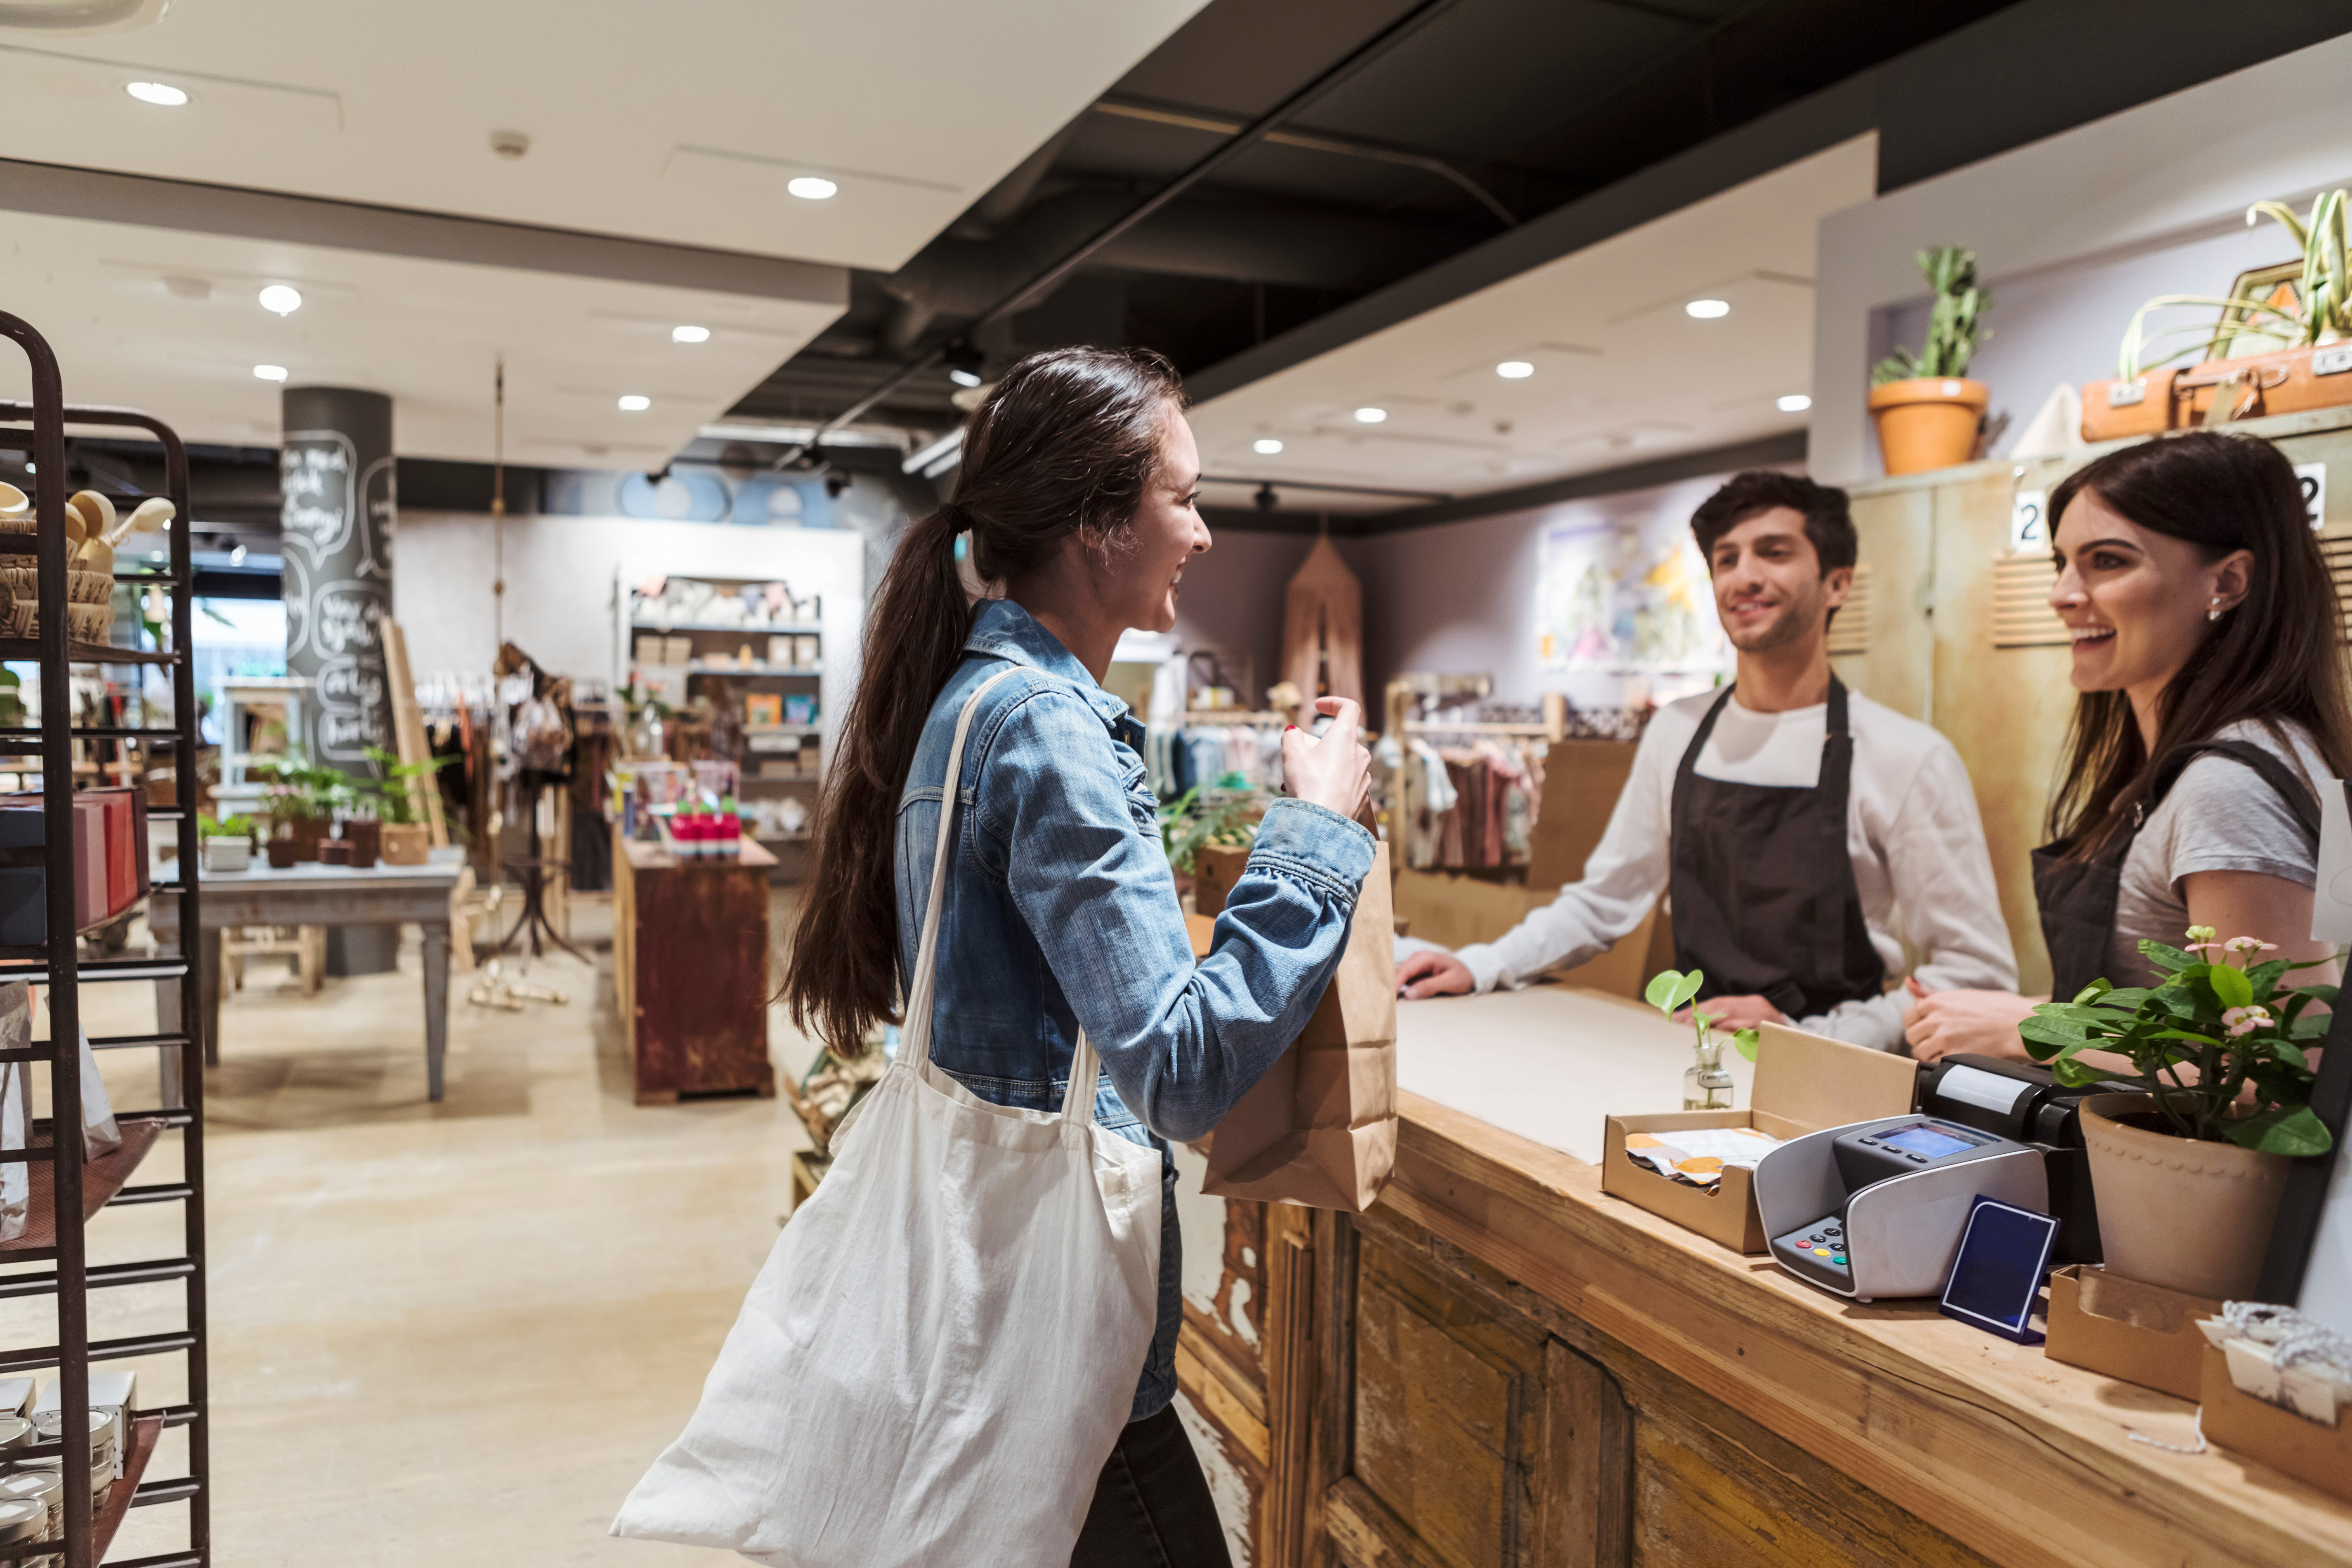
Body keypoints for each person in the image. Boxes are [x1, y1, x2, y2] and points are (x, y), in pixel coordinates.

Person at [779, 346, 1373, 1568]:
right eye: (1185, 498)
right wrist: (1314, 829)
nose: (1204, 535)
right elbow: (1179, 1067)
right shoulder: (1048, 733)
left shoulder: (973, 701)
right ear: (1101, 522)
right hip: (1053, 1333)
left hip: (983, 1301)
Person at [1394, 471, 2015, 1049]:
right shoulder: (1677, 731)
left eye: (1773, 552)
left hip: (1833, 1078)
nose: (1743, 576)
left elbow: (1974, 976)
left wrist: (1810, 1036)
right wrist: (1484, 963)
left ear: (1838, 582)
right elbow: (1605, 901)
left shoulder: (1908, 756)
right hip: (1688, 1056)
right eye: (1726, 559)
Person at [1905, 431, 2348, 1064]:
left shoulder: (2229, 788)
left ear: (2227, 581)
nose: (2062, 594)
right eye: (2061, 562)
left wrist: (2042, 1027)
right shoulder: (2204, 759)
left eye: (2107, 561)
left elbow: (2284, 1071)